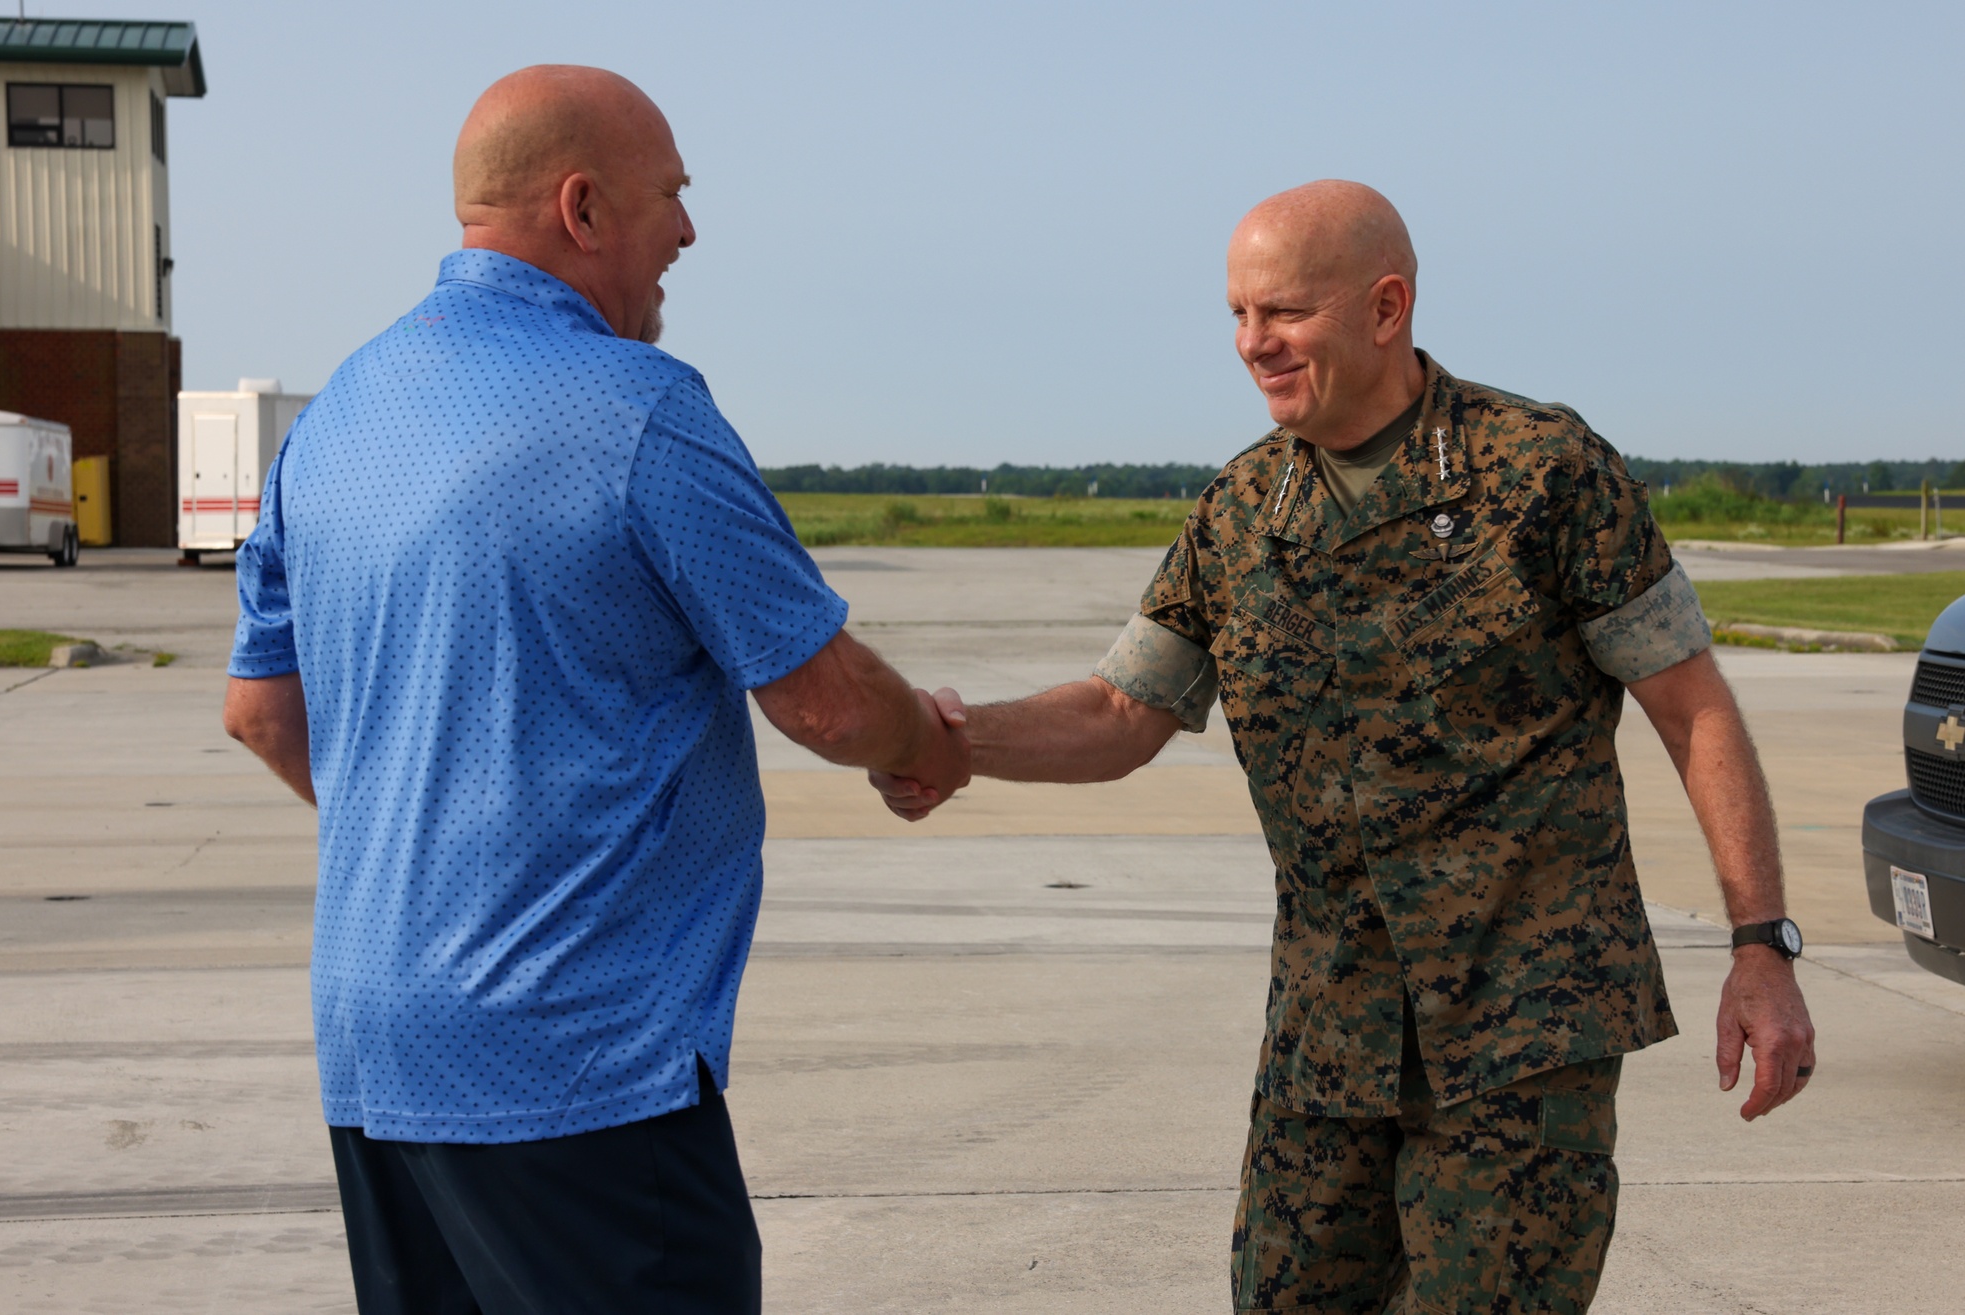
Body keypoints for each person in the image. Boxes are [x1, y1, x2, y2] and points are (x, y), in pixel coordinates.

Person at [872, 180, 1816, 1313]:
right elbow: (1120, 712)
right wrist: (952, 738)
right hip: (1327, 1039)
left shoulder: (1543, 472)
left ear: (1385, 307)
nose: (1251, 342)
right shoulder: (1239, 513)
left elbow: (1692, 708)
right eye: (1237, 314)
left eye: (1283, 311)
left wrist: (1761, 946)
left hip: (1521, 1032)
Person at [222, 65, 968, 1315]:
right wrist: (928, 745)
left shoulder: (338, 413)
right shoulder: (636, 410)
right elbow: (828, 702)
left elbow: (259, 713)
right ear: (582, 209)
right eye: (670, 194)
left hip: (376, 1052)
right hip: (576, 1064)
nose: (688, 230)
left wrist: (446, 844)